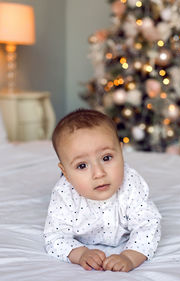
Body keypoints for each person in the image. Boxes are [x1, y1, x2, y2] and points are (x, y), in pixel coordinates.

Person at [44, 109, 161, 272]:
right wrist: (80, 254)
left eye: (106, 158)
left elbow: (148, 224)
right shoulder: (64, 194)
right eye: (82, 166)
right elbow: (54, 237)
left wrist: (130, 256)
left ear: (121, 152)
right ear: (66, 173)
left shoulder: (131, 183)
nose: (99, 173)